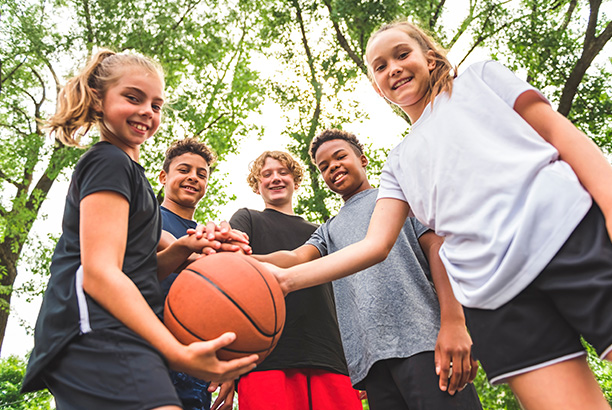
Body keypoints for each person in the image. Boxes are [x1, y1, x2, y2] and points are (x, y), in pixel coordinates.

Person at [267, 21, 612, 410]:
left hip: (568, 241)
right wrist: (283, 280)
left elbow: (560, 134)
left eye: (401, 54)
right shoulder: (398, 163)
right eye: (380, 67)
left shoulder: (480, 80)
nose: (393, 68)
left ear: (429, 58)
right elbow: (374, 246)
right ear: (377, 86)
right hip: (495, 298)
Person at [21, 49, 258, 409]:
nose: (147, 110)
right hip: (95, 329)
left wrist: (182, 249)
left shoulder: (134, 177)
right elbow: (99, 274)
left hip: (117, 333)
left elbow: (135, 270)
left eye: (156, 105)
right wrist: (175, 352)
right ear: (99, 101)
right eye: (133, 98)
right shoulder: (108, 162)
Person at [254, 129, 482, 410]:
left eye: (340, 157)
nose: (332, 167)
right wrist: (237, 260)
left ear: (362, 159)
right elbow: (295, 257)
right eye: (324, 167)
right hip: (372, 365)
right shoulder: (328, 229)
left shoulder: (398, 199)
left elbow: (439, 251)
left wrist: (454, 323)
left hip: (425, 343)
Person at [229, 151, 363, 410]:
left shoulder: (321, 232)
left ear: (296, 181)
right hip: (265, 356)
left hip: (329, 355)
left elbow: (347, 298)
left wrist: (358, 360)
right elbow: (228, 271)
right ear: (257, 186)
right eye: (266, 174)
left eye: (283, 172)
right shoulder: (247, 218)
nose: (275, 178)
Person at [158, 138, 239, 410]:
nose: (193, 177)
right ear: (163, 177)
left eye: (201, 174)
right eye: (184, 170)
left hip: (196, 361)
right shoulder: (144, 216)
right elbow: (167, 244)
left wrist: (228, 366)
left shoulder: (210, 236)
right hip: (146, 350)